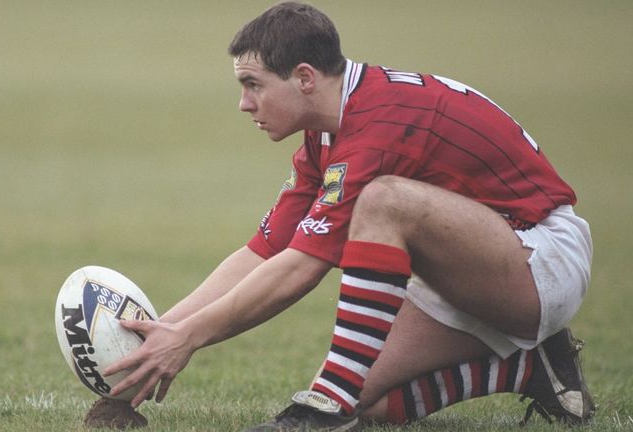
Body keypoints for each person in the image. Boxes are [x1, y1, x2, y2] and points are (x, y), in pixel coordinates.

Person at [86, 2, 596, 430]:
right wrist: (157, 335)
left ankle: (327, 404)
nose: (244, 103)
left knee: (384, 200)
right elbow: (264, 251)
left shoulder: (378, 121)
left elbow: (304, 266)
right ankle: (528, 367)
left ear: (305, 77)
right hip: (476, 263)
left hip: (538, 258)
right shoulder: (327, 133)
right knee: (370, 403)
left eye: (253, 84)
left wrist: (189, 338)